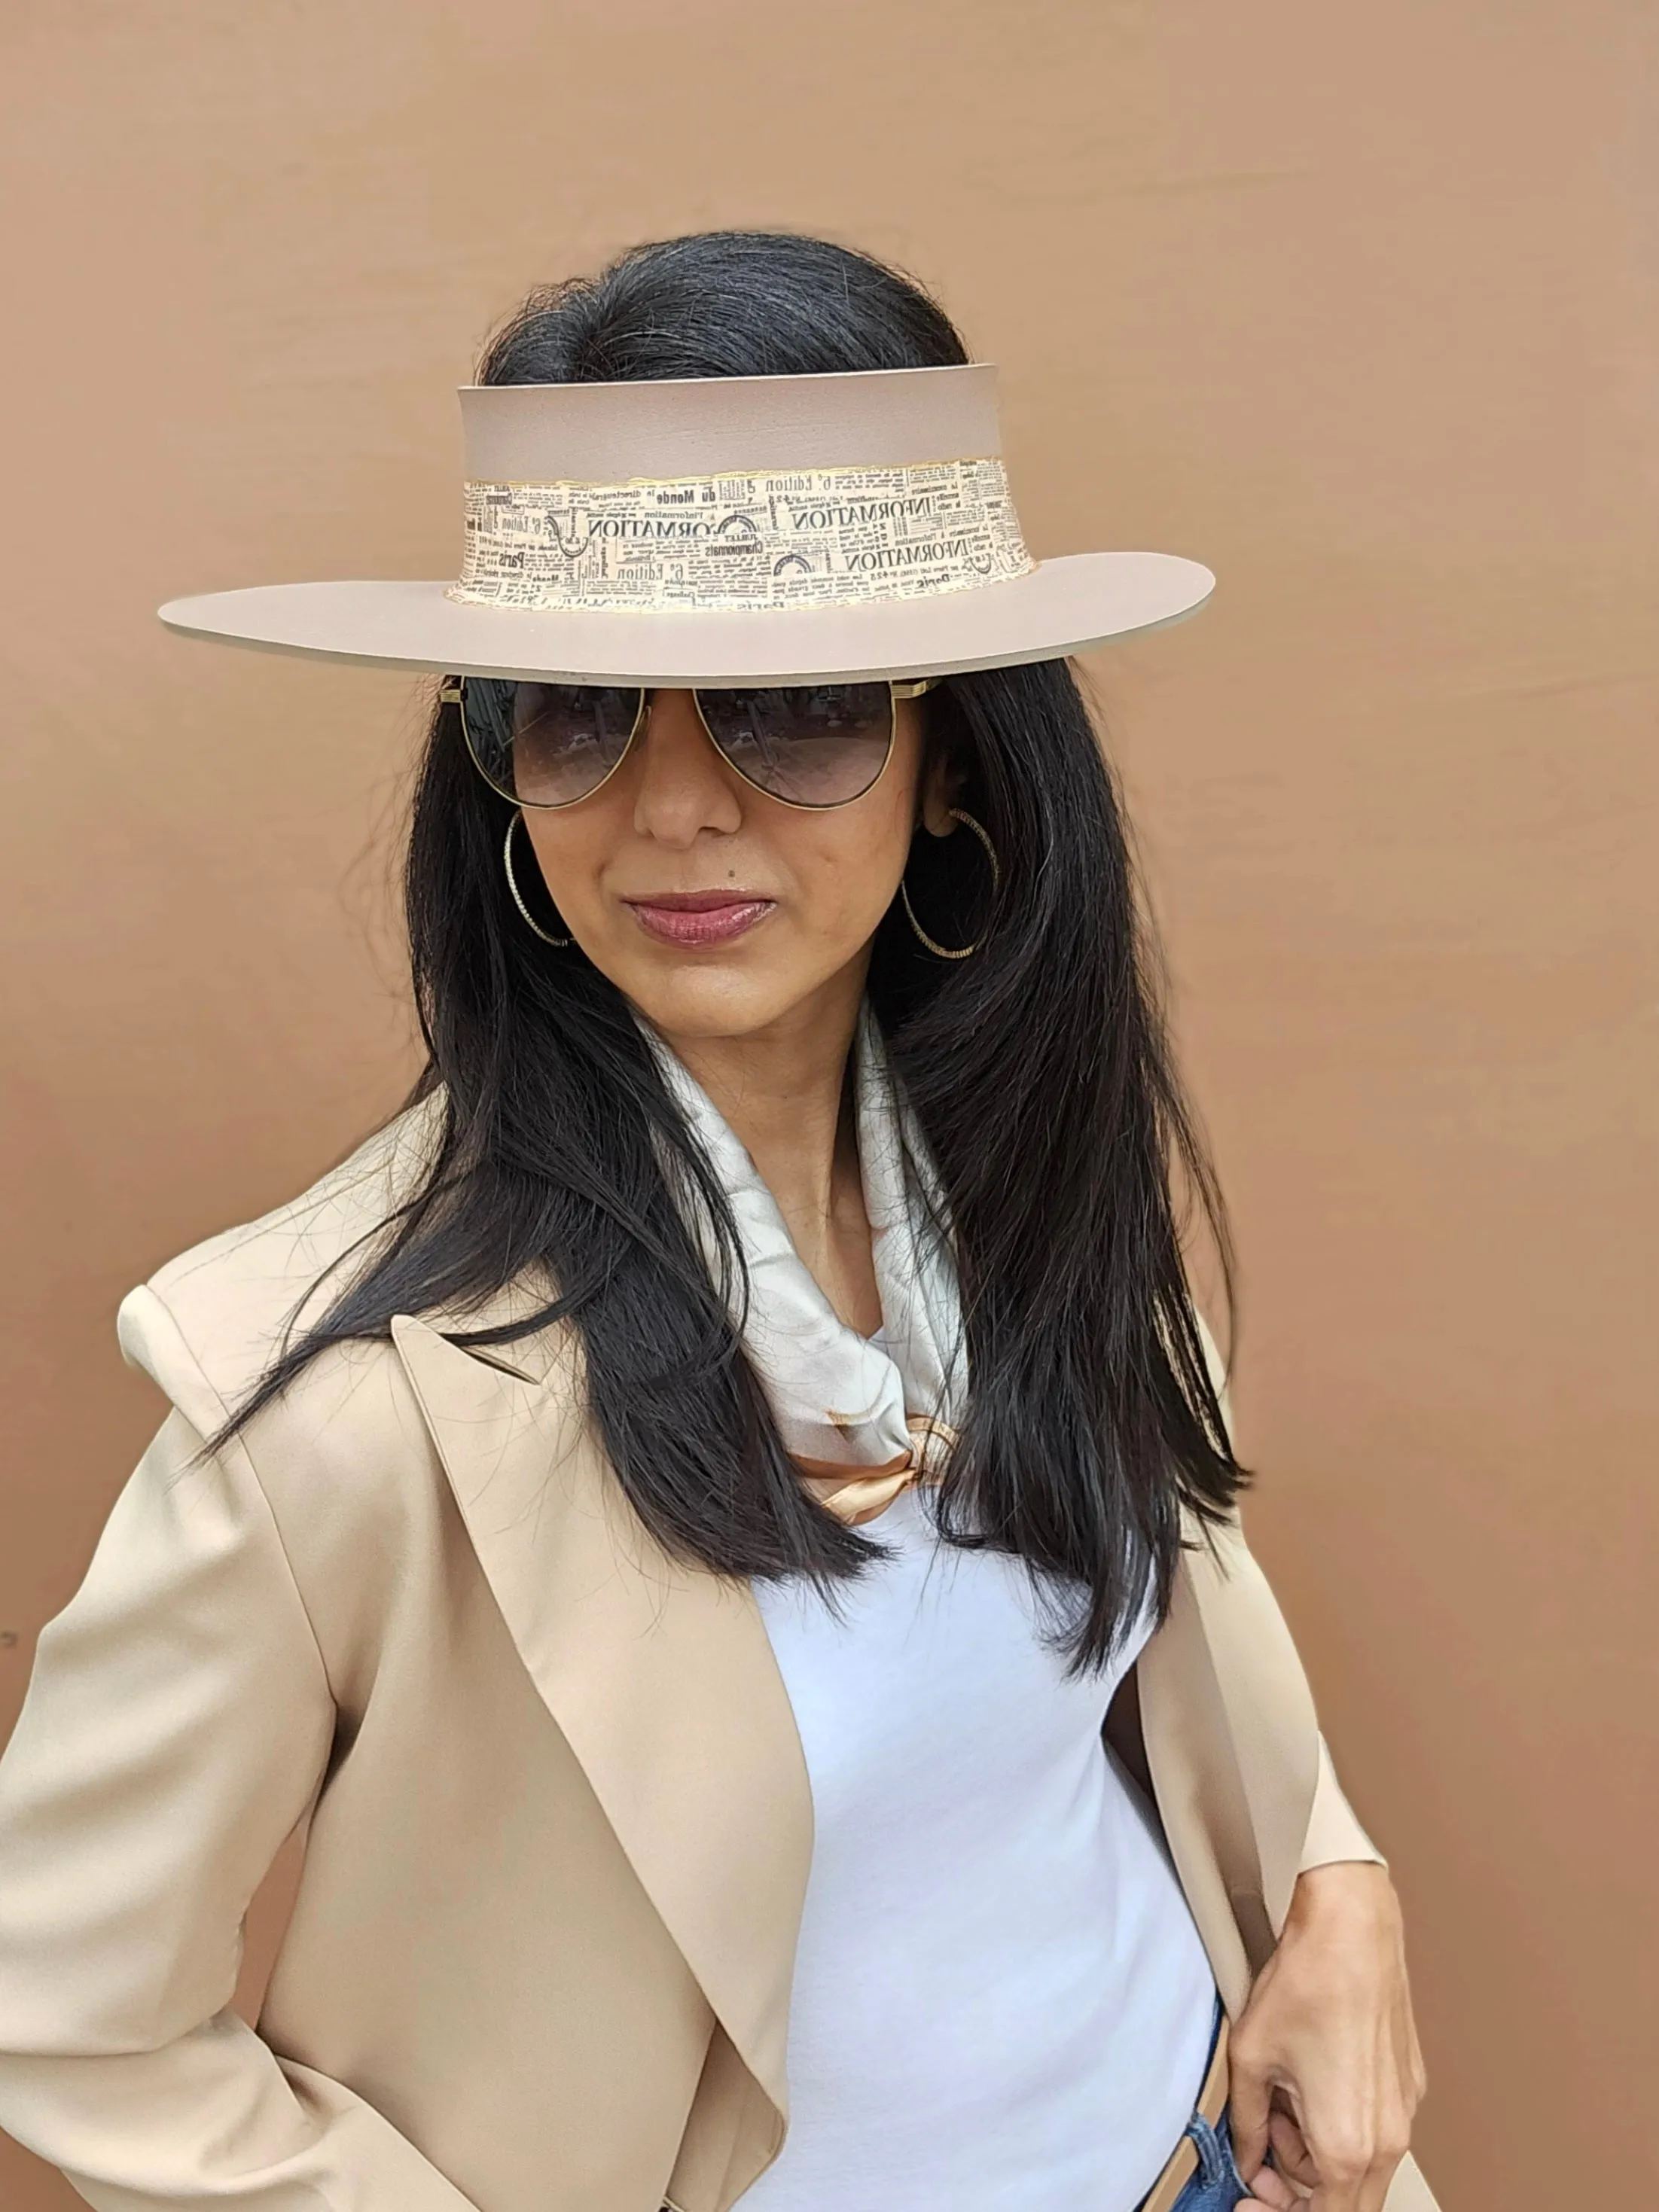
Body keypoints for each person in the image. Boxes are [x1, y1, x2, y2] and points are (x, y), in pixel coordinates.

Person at [0, 232, 1431, 2212]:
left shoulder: (1034, 1188)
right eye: (576, 713)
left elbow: (1181, 1581)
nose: (670, 806)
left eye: (795, 704)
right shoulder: (340, 1411)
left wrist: (1336, 1884)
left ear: (957, 762)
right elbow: (62, 2014)